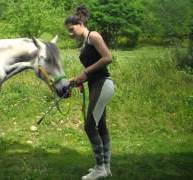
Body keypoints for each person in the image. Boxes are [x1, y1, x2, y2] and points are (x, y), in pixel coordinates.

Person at [65, 5, 114, 180]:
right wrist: (77, 80)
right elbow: (91, 69)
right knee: (100, 126)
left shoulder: (93, 36)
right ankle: (105, 168)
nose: (70, 34)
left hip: (103, 84)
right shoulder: (85, 43)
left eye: (71, 30)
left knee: (89, 126)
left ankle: (100, 167)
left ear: (79, 23)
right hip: (94, 85)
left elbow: (108, 58)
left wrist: (84, 73)